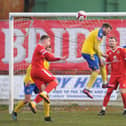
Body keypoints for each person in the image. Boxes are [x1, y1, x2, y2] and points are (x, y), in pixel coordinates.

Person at [29, 35, 66, 118]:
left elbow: (49, 59)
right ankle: (44, 94)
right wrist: (59, 58)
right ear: (45, 40)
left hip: (34, 73)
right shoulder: (40, 47)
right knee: (55, 81)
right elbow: (48, 56)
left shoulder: (40, 49)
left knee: (44, 92)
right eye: (49, 41)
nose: (49, 43)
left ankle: (34, 103)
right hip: (38, 70)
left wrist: (59, 58)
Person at [11, 48, 51, 121]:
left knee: (46, 96)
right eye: (47, 51)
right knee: (27, 100)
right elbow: (30, 69)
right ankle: (15, 111)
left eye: (50, 51)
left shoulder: (47, 62)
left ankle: (47, 116)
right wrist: (29, 80)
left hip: (38, 82)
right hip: (30, 81)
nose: (48, 53)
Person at [81, 23, 112, 99]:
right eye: (108, 31)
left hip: (91, 52)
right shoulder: (99, 34)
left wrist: (102, 55)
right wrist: (100, 58)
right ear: (104, 28)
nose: (108, 33)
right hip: (89, 53)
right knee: (96, 70)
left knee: (102, 64)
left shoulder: (99, 32)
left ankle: (105, 83)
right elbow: (96, 47)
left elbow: (95, 47)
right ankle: (87, 89)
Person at [98, 37, 126, 116]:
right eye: (110, 41)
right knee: (108, 92)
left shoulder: (122, 50)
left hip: (122, 75)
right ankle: (103, 110)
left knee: (123, 92)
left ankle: (125, 109)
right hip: (113, 76)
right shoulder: (108, 52)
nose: (111, 43)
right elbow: (107, 65)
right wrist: (105, 77)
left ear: (116, 42)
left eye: (113, 41)